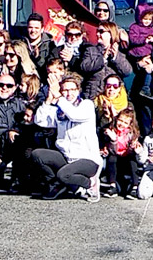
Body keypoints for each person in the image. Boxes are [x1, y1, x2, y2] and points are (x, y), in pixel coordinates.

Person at [31, 74, 102, 202]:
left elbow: (74, 115)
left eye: (72, 89)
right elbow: (40, 121)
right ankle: (59, 184)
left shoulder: (86, 105)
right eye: (65, 90)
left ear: (78, 90)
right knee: (37, 155)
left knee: (63, 175)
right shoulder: (59, 109)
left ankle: (90, 183)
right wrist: (48, 100)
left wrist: (58, 98)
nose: (69, 93)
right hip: (66, 157)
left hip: (87, 159)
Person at [80, 21, 133, 100]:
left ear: (111, 34)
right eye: (97, 31)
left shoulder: (120, 52)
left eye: (101, 31)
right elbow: (84, 67)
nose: (98, 34)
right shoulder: (90, 50)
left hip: (113, 96)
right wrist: (103, 59)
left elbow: (127, 71)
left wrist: (115, 58)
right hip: (94, 94)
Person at [100, 107, 140, 198]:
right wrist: (113, 140)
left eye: (125, 123)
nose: (121, 124)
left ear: (130, 125)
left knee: (132, 159)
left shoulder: (131, 133)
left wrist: (132, 147)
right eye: (120, 120)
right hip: (116, 157)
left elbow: (131, 151)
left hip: (127, 157)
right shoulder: (111, 130)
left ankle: (134, 186)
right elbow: (112, 150)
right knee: (112, 157)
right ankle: (112, 186)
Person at [127, 3, 153, 98]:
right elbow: (133, 39)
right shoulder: (134, 27)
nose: (147, 21)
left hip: (147, 53)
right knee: (148, 68)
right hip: (138, 53)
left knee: (151, 68)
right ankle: (145, 88)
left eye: (149, 19)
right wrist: (145, 40)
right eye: (145, 19)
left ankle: (146, 87)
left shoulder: (150, 29)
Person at [22, 12, 57, 78]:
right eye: (30, 27)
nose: (33, 30)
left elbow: (50, 67)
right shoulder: (21, 43)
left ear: (42, 29)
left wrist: (37, 58)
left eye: (36, 28)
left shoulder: (50, 45)